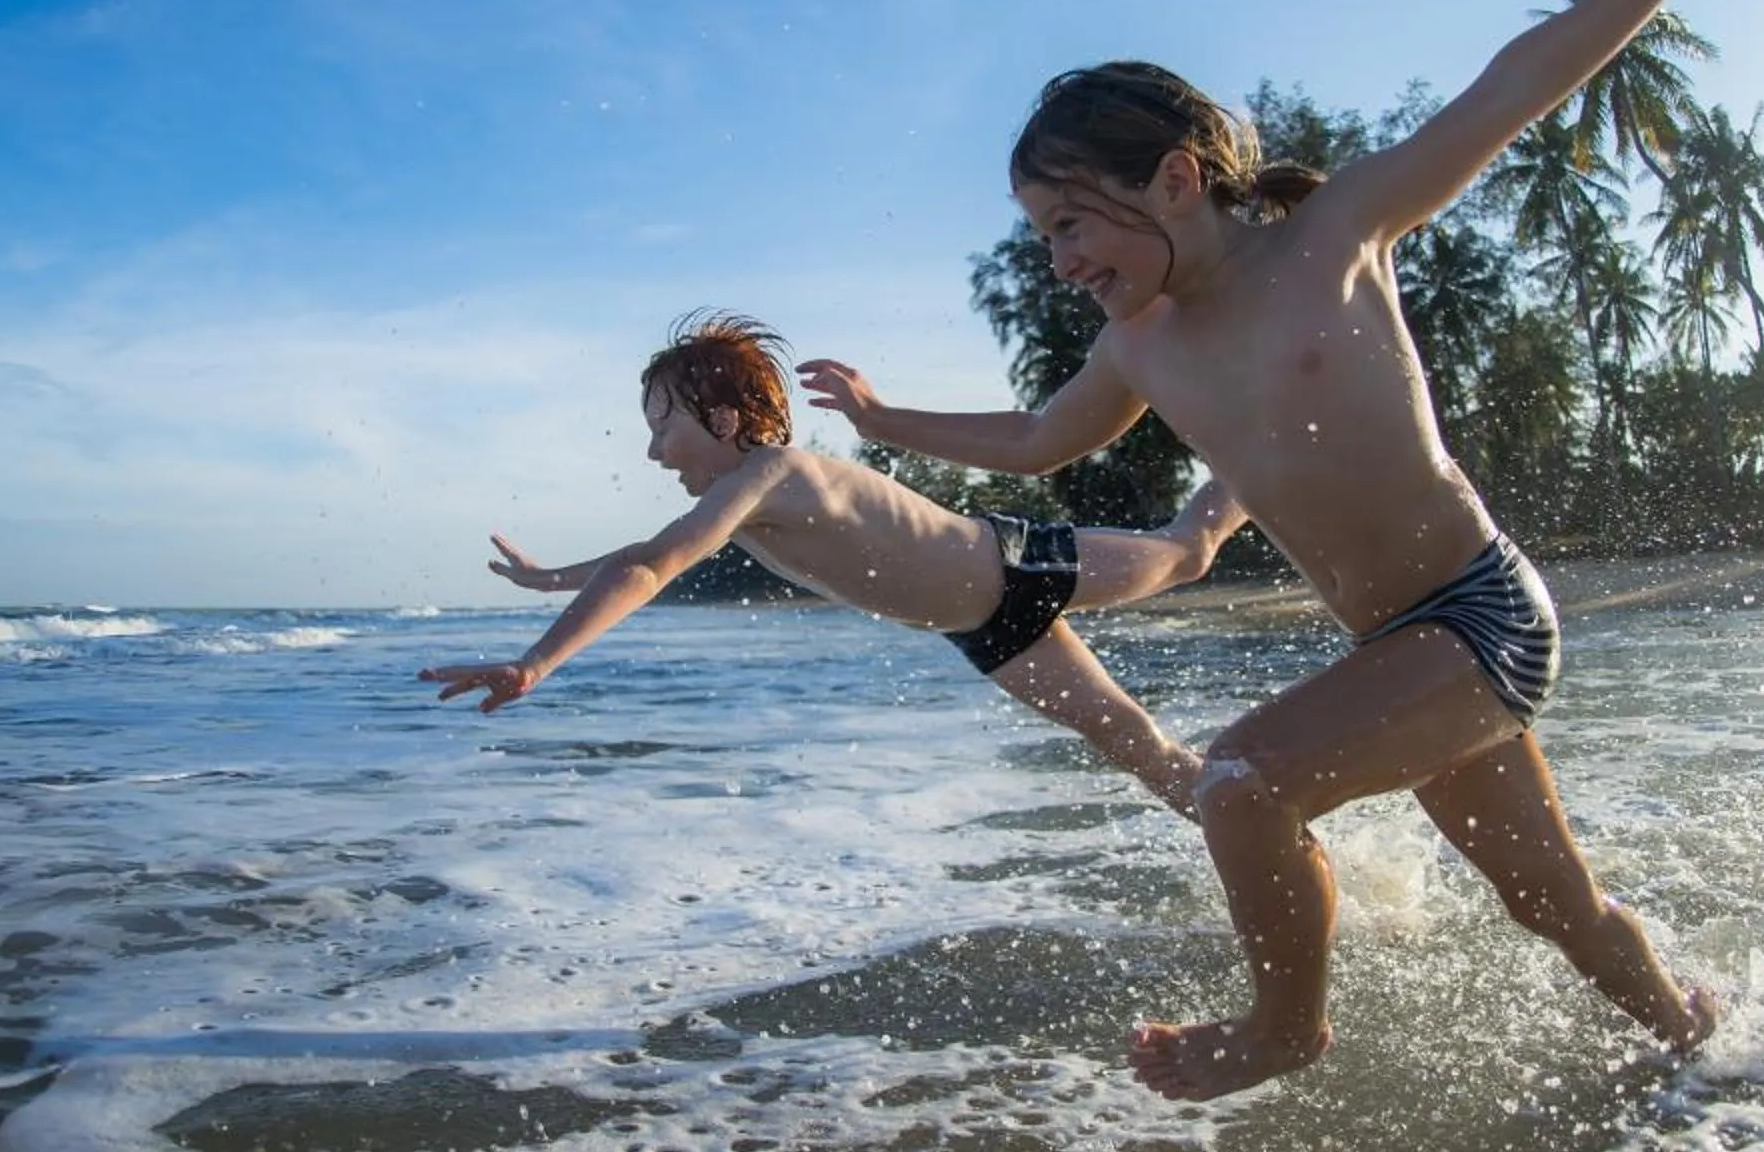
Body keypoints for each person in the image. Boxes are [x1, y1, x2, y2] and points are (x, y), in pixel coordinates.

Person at [798, 0, 1733, 1100]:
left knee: (1241, 781)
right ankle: (1700, 1042)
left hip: (1483, 618)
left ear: (1175, 180)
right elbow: (1037, 440)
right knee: (1552, 905)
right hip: (1399, 653)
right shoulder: (1138, 345)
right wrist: (878, 414)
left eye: (1070, 222)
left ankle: (1285, 1029)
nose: (1057, 258)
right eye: (1041, 234)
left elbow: (1505, 91)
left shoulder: (1334, 237)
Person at [421, 312, 1247, 820]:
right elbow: (641, 556)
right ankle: (1255, 826)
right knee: (1135, 745)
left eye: (662, 426)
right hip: (987, 631)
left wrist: (538, 663)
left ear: (721, 418)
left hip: (1019, 566)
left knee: (1188, 551)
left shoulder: (773, 473)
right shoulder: (736, 506)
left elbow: (649, 564)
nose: (651, 450)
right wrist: (551, 577)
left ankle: (1262, 446)